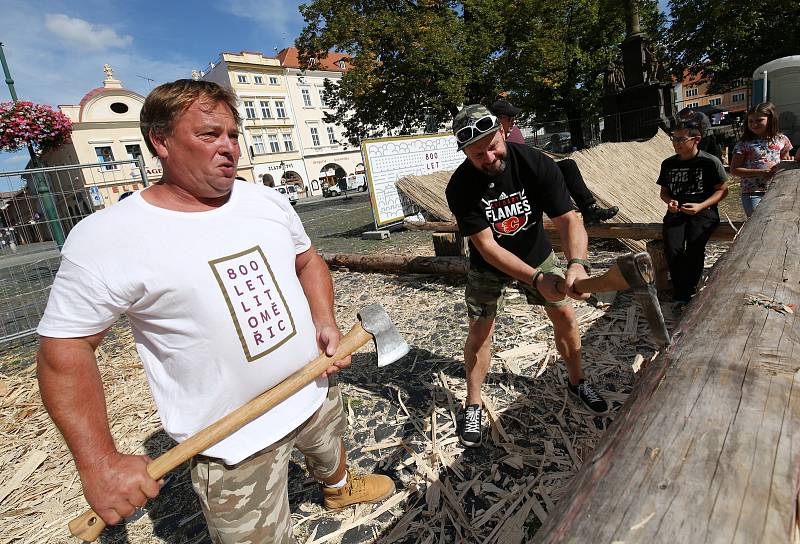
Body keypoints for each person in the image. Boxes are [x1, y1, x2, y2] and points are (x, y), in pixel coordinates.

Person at [35, 79, 394, 543]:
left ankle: (340, 488)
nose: (229, 148)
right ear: (159, 142)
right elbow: (65, 350)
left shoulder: (266, 200)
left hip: (313, 385)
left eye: (232, 133)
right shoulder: (107, 237)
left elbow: (308, 260)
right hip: (231, 441)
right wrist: (100, 463)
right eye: (209, 135)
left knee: (328, 447)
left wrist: (323, 320)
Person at [445, 104, 609, 448]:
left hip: (537, 252)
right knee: (480, 331)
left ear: (503, 131)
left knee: (564, 314)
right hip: (489, 267)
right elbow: (488, 247)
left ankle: (578, 381)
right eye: (477, 154)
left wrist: (576, 263)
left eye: (492, 146)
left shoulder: (536, 163)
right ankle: (473, 403)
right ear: (464, 153)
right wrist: (535, 280)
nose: (489, 157)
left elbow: (568, 219)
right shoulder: (459, 187)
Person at [489, 99, 619, 223]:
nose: (514, 122)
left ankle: (590, 210)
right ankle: (565, 215)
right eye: (510, 118)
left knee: (568, 166)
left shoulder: (513, 131)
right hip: (515, 186)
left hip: (529, 177)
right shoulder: (492, 138)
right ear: (499, 119)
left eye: (514, 119)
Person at [658, 120, 728, 310]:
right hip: (676, 213)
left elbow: (723, 190)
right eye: (674, 138)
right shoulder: (669, 163)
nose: (676, 143)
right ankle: (682, 292)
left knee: (694, 249)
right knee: (672, 249)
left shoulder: (709, 162)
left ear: (696, 139)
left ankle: (687, 291)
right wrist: (669, 202)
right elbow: (664, 192)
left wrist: (700, 206)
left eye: (681, 139)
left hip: (703, 213)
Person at [731, 102, 793, 217]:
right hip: (753, 192)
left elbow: (784, 161)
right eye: (751, 121)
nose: (754, 124)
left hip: (777, 190)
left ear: (771, 119)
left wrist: (789, 161)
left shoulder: (782, 140)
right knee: (757, 223)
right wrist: (760, 172)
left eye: (759, 120)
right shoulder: (744, 144)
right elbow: (734, 170)